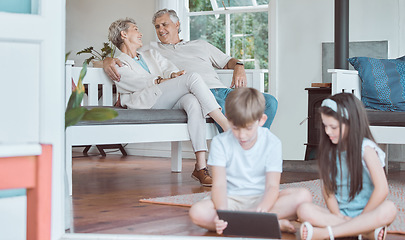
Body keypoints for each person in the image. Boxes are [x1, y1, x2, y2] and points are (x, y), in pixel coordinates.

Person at [103, 8, 278, 132]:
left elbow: (228, 61)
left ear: (177, 24)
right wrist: (107, 60)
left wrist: (239, 66)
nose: (160, 30)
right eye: (157, 27)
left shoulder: (200, 45)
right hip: (199, 93)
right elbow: (128, 56)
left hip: (224, 92)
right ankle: (241, 153)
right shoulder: (151, 51)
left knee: (269, 102)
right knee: (229, 111)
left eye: (165, 25)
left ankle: (254, 146)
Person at [108, 18, 230, 187]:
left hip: (163, 97)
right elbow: (134, 82)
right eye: (136, 29)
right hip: (145, 102)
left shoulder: (150, 54)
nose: (141, 33)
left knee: (193, 101)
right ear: (124, 34)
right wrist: (160, 80)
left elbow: (168, 67)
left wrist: (172, 75)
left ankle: (200, 167)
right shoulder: (118, 62)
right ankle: (225, 124)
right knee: (193, 78)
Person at [188, 87, 312, 234]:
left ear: (261, 120)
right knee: (197, 212)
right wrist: (223, 214)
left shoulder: (272, 143)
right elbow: (220, 185)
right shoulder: (220, 143)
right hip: (230, 200)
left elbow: (272, 186)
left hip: (262, 199)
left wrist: (262, 209)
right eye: (235, 127)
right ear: (227, 118)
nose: (242, 135)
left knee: (303, 196)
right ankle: (268, 224)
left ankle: (243, 223)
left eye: (248, 128)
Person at [297, 93, 397, 240]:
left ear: (351, 123)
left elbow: (382, 189)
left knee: (389, 209)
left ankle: (328, 233)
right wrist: (337, 214)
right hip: (340, 215)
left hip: (367, 214)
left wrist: (362, 218)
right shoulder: (331, 150)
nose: (327, 132)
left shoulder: (366, 149)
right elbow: (328, 190)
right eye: (325, 126)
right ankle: (363, 232)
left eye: (333, 127)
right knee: (304, 209)